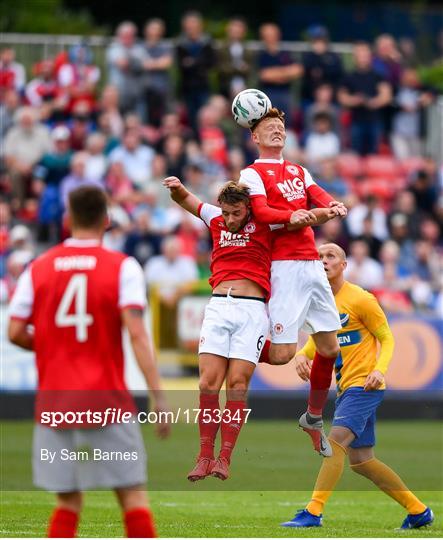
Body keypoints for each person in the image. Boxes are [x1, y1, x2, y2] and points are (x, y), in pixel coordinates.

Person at [8, 185, 170, 538]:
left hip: (54, 400)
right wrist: (159, 396)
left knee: (67, 502)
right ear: (107, 220)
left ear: (67, 220)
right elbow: (138, 335)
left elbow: (16, 330)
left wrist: (52, 345)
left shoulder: (39, 267)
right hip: (106, 397)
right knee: (132, 496)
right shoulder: (122, 267)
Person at [164, 176, 336, 481]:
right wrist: (177, 189)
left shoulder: (264, 223)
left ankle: (224, 458)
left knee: (238, 385)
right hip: (218, 306)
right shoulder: (215, 218)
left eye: (236, 214)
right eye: (226, 213)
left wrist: (329, 209)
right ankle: (204, 456)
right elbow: (187, 201)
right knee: (207, 384)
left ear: (248, 209)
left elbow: (303, 217)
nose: (229, 220)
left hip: (252, 310)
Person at [281, 242, 434, 530]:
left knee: (334, 443)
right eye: (319, 257)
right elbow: (321, 341)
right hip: (347, 387)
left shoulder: (361, 299)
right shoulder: (321, 302)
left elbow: (386, 338)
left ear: (343, 265)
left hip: (364, 386)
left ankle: (313, 512)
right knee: (362, 461)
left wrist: (380, 370)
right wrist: (302, 355)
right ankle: (418, 511)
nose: (324, 260)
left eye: (331, 256)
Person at [239, 107, 347, 457]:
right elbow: (261, 213)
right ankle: (237, 353)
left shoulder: (299, 170)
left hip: (311, 265)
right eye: (270, 127)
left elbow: (319, 196)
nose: (277, 131)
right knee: (284, 354)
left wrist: (334, 205)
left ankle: (313, 417)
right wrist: (292, 215)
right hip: (283, 267)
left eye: (281, 127)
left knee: (330, 349)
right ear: (254, 137)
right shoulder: (252, 173)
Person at [338, 42, 392, 156]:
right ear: (355, 57)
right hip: (356, 121)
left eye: (365, 55)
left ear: (370, 57)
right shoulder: (349, 76)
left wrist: (372, 103)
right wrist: (356, 100)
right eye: (360, 55)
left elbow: (386, 96)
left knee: (374, 155)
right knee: (355, 154)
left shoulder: (378, 75)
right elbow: (342, 97)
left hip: (375, 121)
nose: (362, 58)